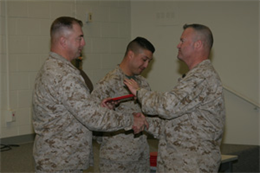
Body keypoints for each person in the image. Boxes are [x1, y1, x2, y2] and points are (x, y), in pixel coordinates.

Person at [32, 16, 147, 173]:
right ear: (63, 41)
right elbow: (93, 118)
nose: (83, 43)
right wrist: (130, 120)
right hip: (61, 162)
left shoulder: (54, 67)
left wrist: (99, 107)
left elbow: (74, 110)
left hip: (60, 158)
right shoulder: (63, 74)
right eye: (79, 38)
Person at [123, 24, 226, 173]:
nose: (178, 45)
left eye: (182, 41)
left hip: (191, 166)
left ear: (197, 45)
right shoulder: (194, 77)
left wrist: (140, 93)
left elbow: (168, 106)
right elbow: (173, 125)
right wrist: (145, 122)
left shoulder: (202, 77)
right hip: (179, 164)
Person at [91, 37, 155, 173]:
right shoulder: (108, 84)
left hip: (141, 157)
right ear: (131, 54)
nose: (146, 65)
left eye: (149, 61)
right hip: (117, 161)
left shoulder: (142, 84)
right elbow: (93, 124)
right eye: (144, 59)